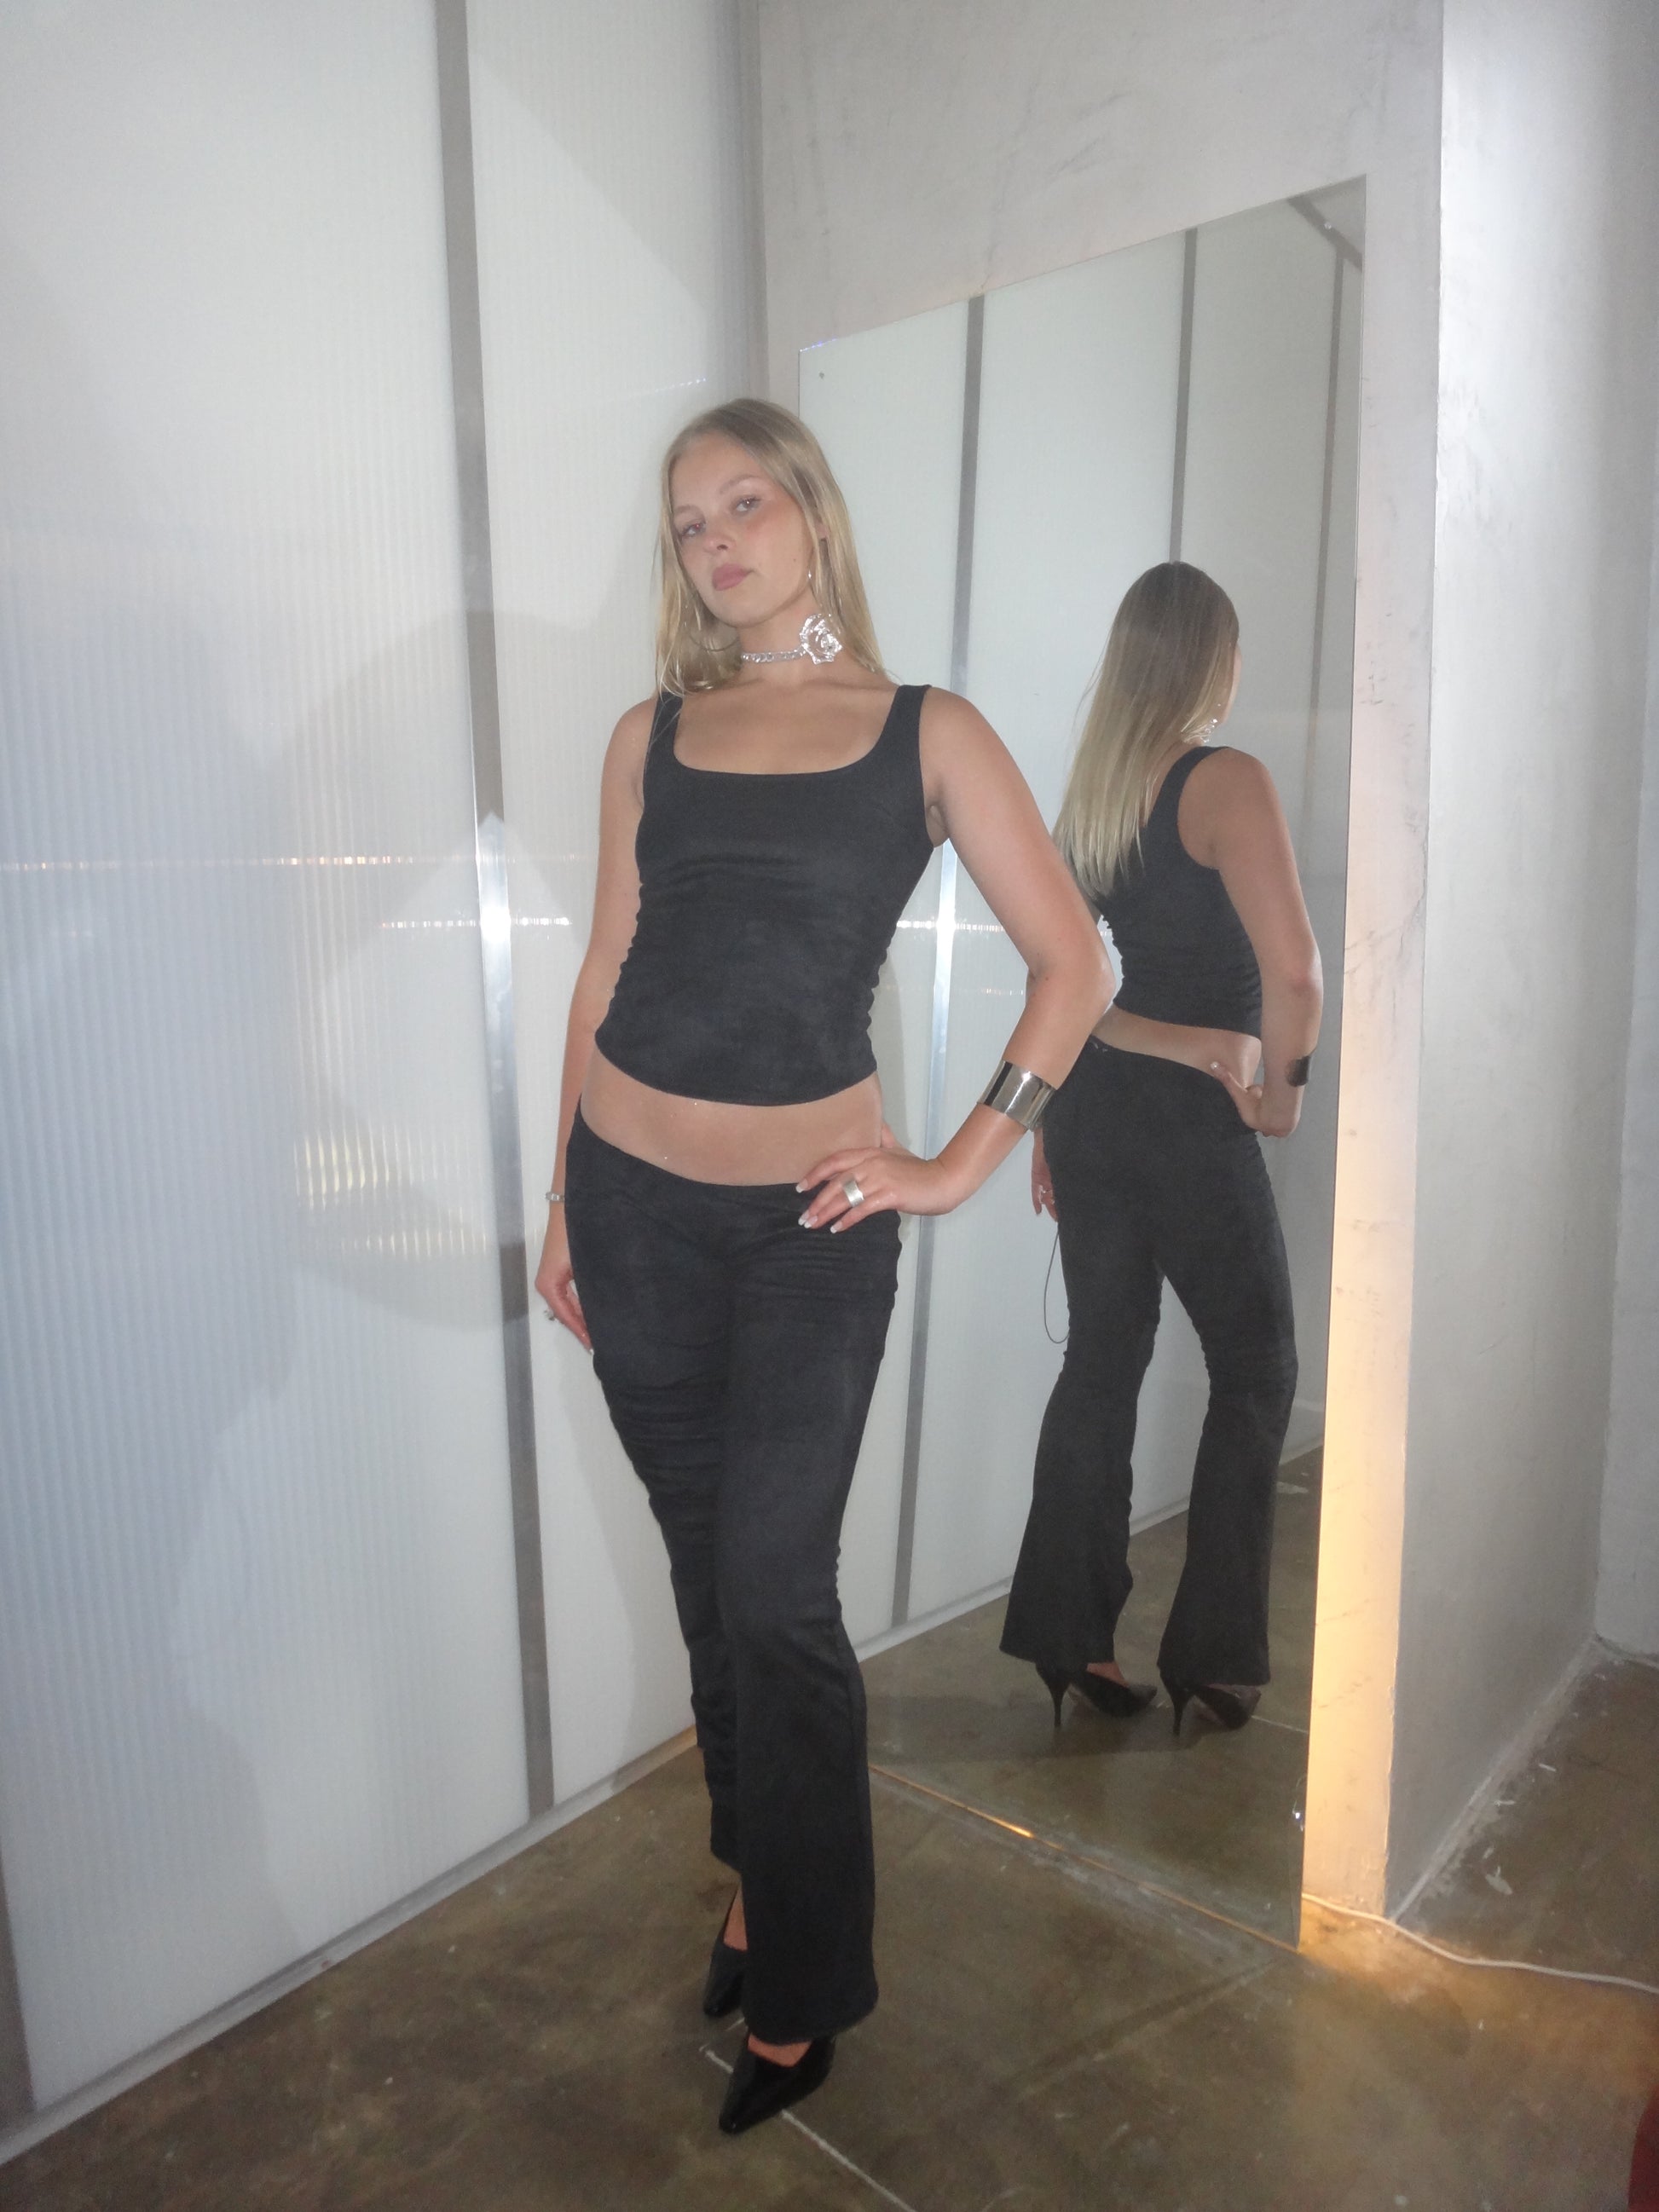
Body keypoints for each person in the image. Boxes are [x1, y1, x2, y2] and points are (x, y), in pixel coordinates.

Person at [534, 399, 1107, 2134]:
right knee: (709, 1575)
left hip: (810, 1234)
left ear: (811, 514)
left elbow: (1073, 967)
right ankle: (755, 1876)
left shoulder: (925, 730)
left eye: (745, 503)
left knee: (776, 1591)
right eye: (688, 522)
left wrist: (955, 1163)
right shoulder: (650, 734)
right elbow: (603, 971)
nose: (717, 541)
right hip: (630, 1209)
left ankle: (805, 1981)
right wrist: (560, 1198)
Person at [1000, 562, 1322, 1737]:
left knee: (1102, 1359)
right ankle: (1215, 1658)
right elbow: (1296, 972)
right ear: (1211, 661)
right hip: (1190, 1122)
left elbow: (1062, 982)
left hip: (1095, 1111)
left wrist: (1048, 1121)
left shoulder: (1093, 793)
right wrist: (1281, 1093)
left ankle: (1068, 1634)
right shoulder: (1225, 781)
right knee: (1256, 1367)